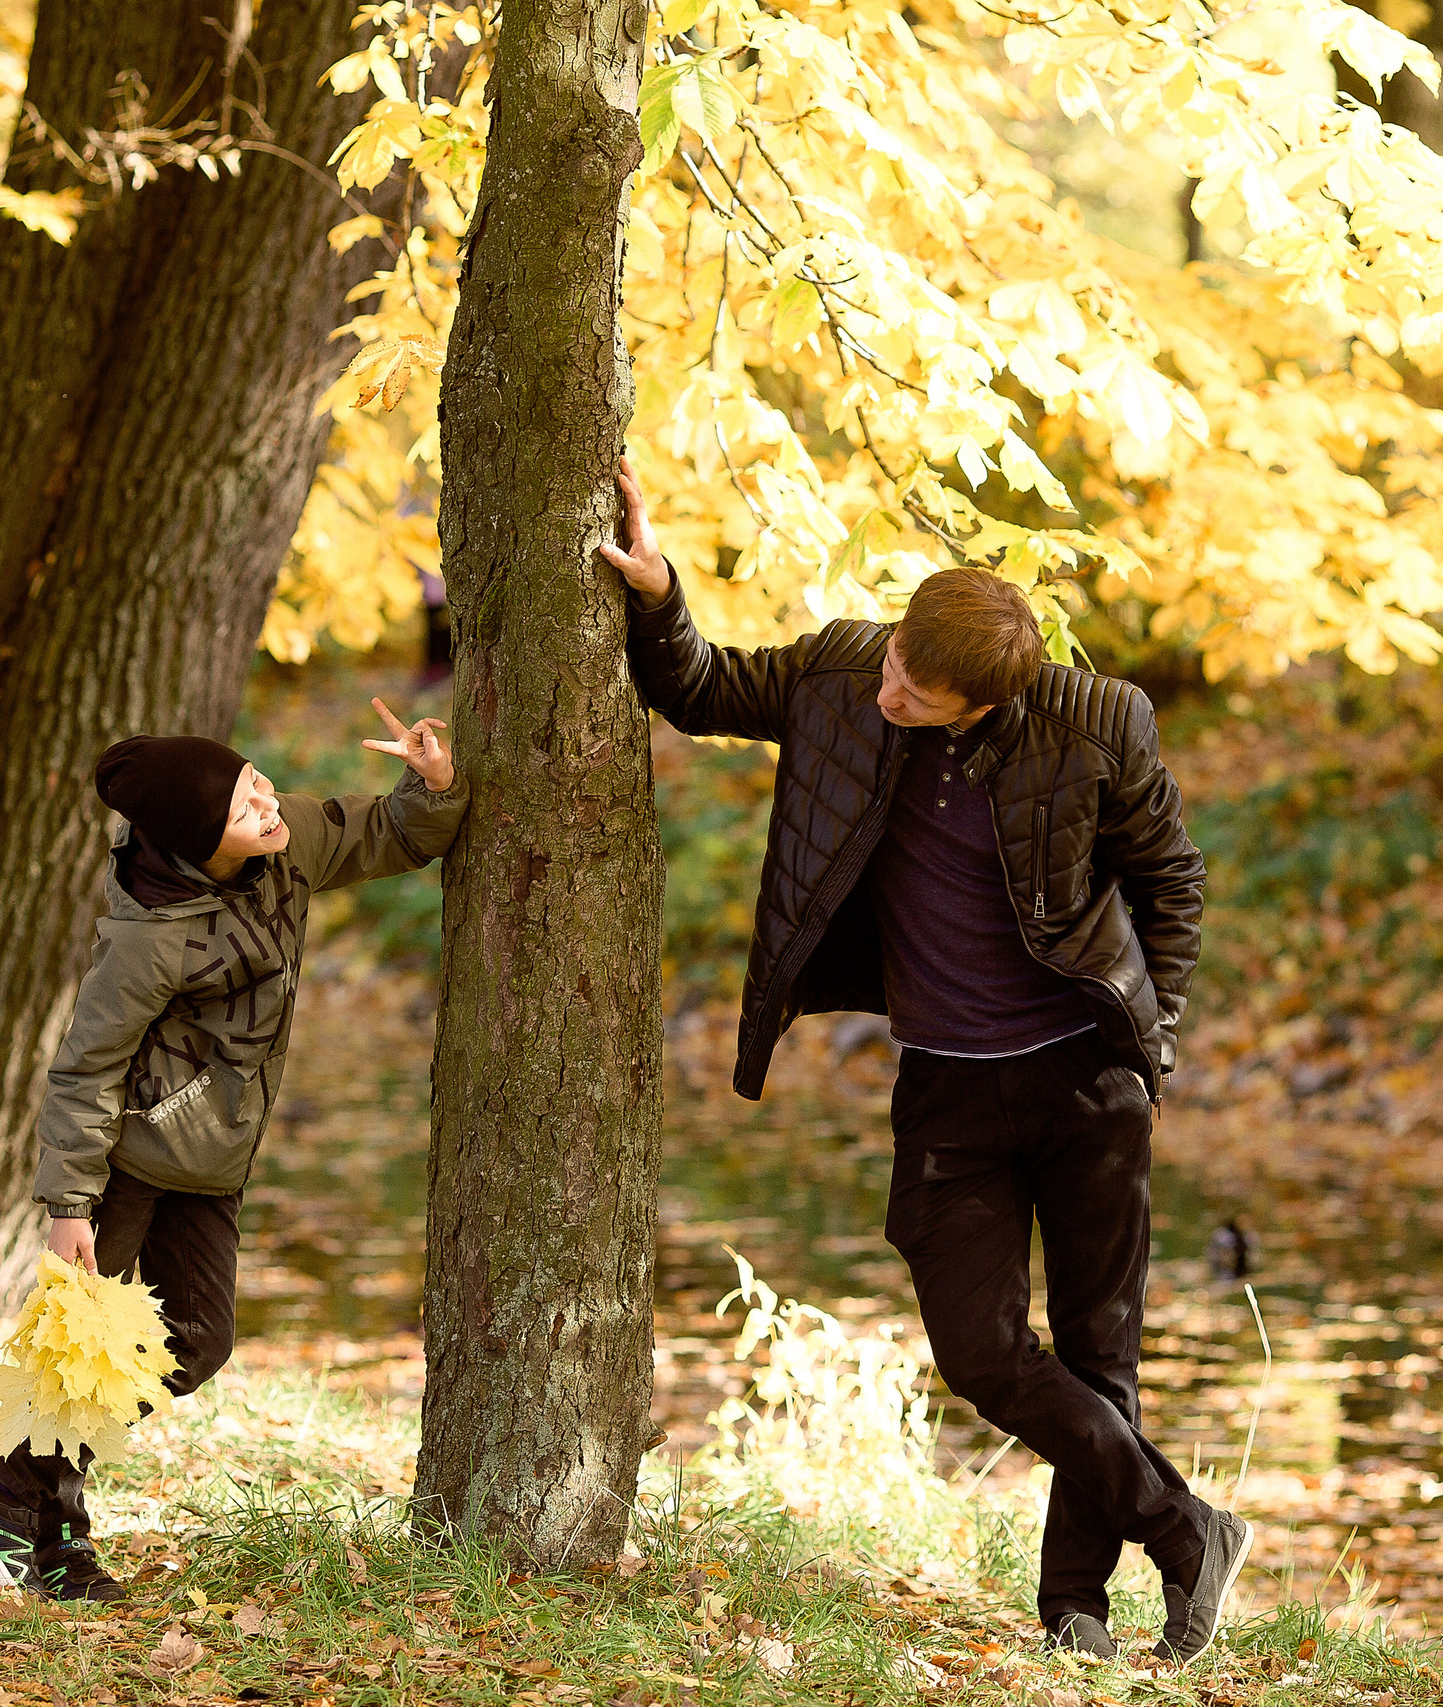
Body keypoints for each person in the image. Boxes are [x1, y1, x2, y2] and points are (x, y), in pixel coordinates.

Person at [598, 459, 1247, 1664]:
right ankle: (1185, 1527)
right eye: (897, 663)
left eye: (922, 692)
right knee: (981, 1353)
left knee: (1101, 1352)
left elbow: (1173, 878)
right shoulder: (844, 672)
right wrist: (659, 589)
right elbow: (691, 689)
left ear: (983, 704)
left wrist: (1150, 1043)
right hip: (948, 1086)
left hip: (1085, 1082)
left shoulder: (1096, 725)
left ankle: (1076, 1615)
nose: (892, 691)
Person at [0, 700, 465, 1603]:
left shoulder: (282, 837)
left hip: (212, 1158)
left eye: (255, 777)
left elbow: (387, 835)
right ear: (195, 835)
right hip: (128, 1163)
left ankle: (15, 1494)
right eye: (239, 803)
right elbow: (81, 1069)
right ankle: (47, 1531)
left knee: (198, 1342)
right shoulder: (147, 938)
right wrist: (69, 1207)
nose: (263, 800)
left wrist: (431, 784)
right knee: (90, 1353)